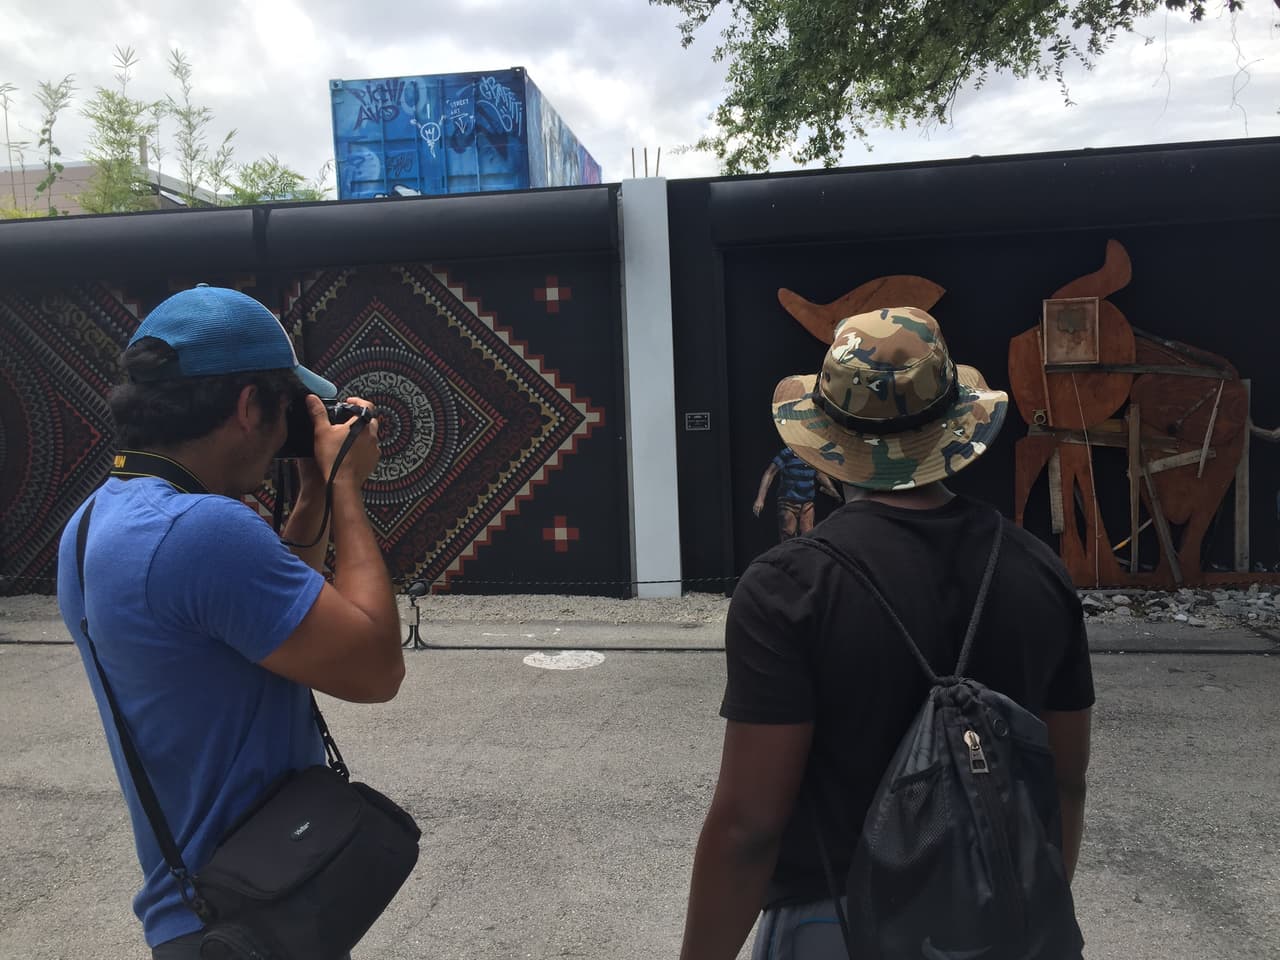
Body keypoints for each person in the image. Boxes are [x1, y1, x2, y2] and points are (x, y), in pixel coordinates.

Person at [679, 307, 1095, 960]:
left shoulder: (788, 588)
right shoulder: (1039, 572)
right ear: (952, 427)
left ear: (829, 441)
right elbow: (1065, 780)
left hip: (833, 925)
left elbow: (749, 829)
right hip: (996, 913)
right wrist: (1021, 904)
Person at [56, 285, 405, 959]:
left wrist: (309, 496)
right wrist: (344, 489)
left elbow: (263, 615)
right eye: (286, 410)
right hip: (256, 913)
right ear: (250, 406)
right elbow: (374, 667)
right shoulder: (202, 531)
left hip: (203, 907)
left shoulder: (98, 520)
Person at [752, 447, 841, 540]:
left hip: (807, 503)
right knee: (788, 533)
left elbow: (819, 474)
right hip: (788, 502)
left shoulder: (812, 454)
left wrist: (832, 490)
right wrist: (760, 498)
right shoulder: (787, 453)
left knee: (808, 535)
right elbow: (769, 473)